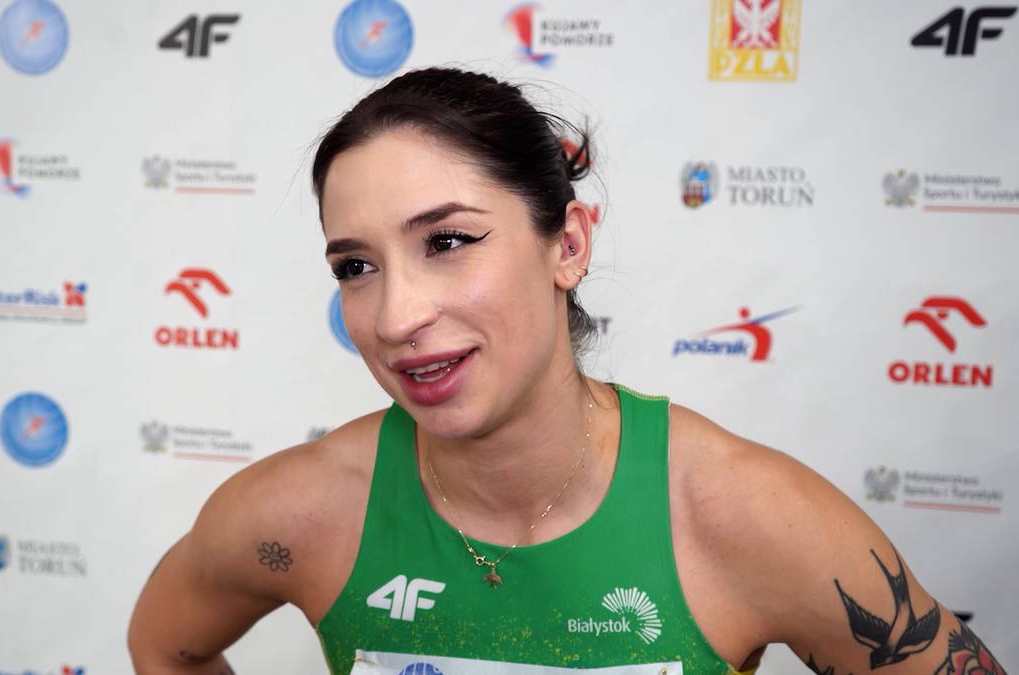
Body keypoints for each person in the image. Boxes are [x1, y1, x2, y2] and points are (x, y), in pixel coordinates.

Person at [128, 68, 1005, 675]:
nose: (395, 317)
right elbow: (165, 643)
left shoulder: (742, 514)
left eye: (448, 241)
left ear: (569, 245)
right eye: (356, 266)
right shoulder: (298, 512)